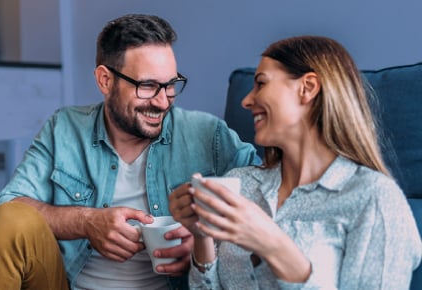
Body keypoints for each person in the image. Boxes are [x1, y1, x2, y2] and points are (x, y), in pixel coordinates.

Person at [0, 14, 258, 290]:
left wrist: (205, 243)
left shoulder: (208, 134)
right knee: (11, 221)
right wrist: (86, 221)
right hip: (67, 283)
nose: (163, 102)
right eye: (148, 86)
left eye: (171, 85)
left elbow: (268, 199)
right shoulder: (65, 128)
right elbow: (5, 210)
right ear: (105, 80)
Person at [169, 35, 422, 289]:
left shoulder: (375, 199)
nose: (246, 101)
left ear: (308, 88)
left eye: (261, 83)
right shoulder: (241, 184)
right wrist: (202, 235)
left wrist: (274, 245)